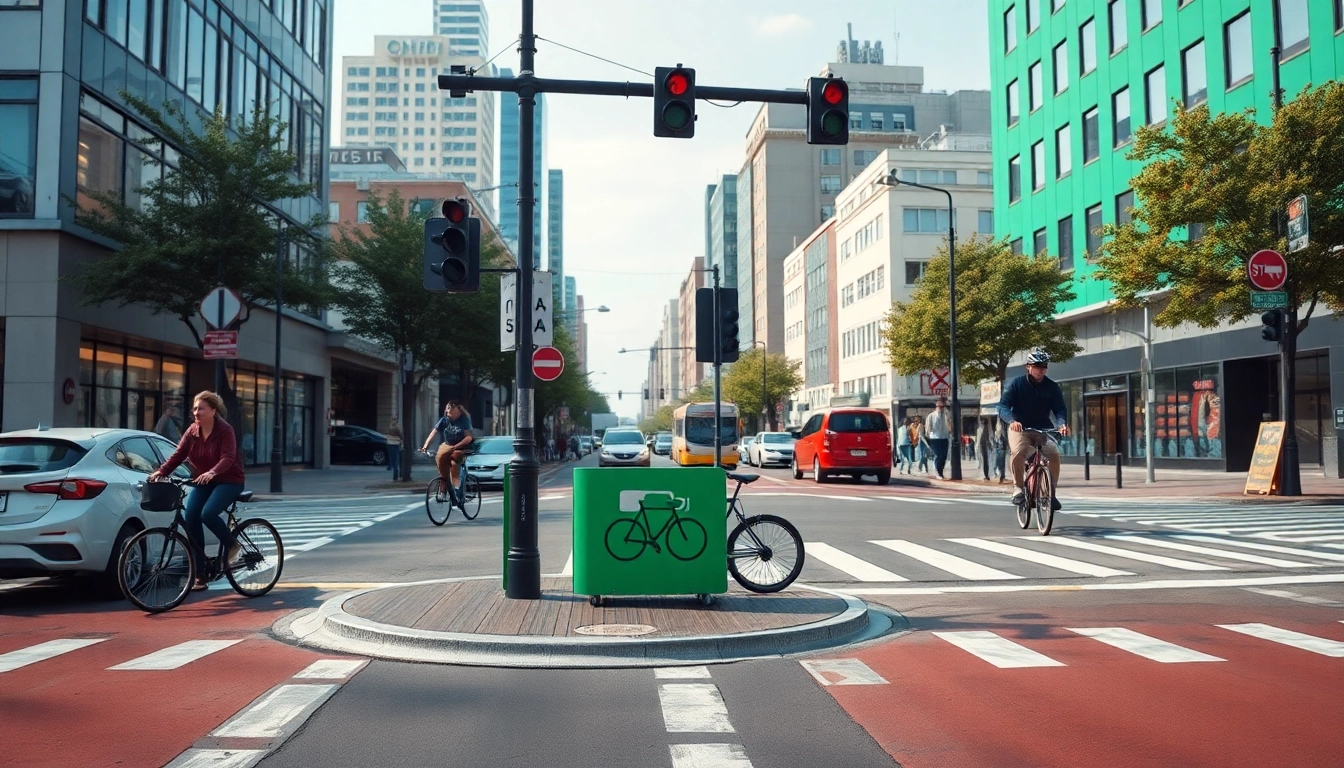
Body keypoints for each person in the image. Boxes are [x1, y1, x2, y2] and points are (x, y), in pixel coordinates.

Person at [147, 391, 245, 592]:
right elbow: (178, 454)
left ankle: (232, 545)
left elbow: (228, 457)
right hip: (204, 480)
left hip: (229, 480)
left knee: (207, 514)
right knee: (191, 516)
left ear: (213, 411)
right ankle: (200, 573)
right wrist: (162, 471)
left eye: (200, 408)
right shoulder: (192, 431)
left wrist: (212, 472)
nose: (196, 412)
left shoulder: (225, 430)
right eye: (194, 408)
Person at [998, 350, 1072, 510]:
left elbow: (1060, 409)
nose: (1041, 370)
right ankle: (1017, 489)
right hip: (1020, 427)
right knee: (1019, 451)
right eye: (1037, 366)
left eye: (1044, 367)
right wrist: (1012, 421)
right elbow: (1003, 406)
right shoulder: (1017, 384)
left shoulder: (1052, 387)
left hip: (1042, 428)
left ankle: (1050, 494)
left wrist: (1062, 424)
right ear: (1028, 367)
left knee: (1054, 454)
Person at [421, 401, 474, 507]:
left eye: (451, 409)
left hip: (461, 445)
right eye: (447, 409)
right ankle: (447, 488)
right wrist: (425, 446)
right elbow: (434, 433)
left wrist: (457, 446)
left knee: (454, 463)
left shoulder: (464, 420)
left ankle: (457, 488)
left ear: (457, 411)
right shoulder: (444, 420)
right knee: (440, 459)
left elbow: (469, 437)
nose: (448, 411)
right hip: (447, 445)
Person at [924, 397, 952, 479]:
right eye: (938, 406)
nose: (940, 407)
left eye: (942, 406)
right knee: (938, 455)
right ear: (936, 406)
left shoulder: (946, 415)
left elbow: (950, 426)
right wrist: (928, 437)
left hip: (944, 437)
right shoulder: (931, 416)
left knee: (944, 456)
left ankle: (941, 471)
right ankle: (938, 472)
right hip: (934, 438)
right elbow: (928, 428)